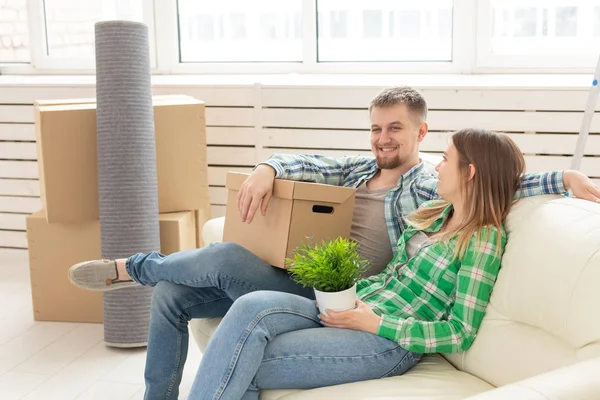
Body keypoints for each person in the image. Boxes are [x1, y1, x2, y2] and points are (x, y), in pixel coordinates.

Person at [68, 87, 600, 400]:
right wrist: (267, 167)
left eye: (444, 156)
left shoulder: (464, 224)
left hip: (385, 335)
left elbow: (461, 325)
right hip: (345, 298)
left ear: (422, 135)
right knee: (217, 303)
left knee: (240, 334)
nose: (384, 138)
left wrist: (563, 179)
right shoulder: (433, 209)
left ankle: (137, 266)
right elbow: (312, 162)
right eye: (376, 128)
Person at [184, 128, 521, 399]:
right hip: (356, 309)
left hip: (388, 343)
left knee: (243, 358)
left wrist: (377, 324)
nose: (437, 167)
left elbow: (460, 332)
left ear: (471, 172)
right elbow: (391, 275)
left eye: (446, 159)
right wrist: (347, 297)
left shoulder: (482, 240)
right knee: (249, 306)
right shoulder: (436, 214)